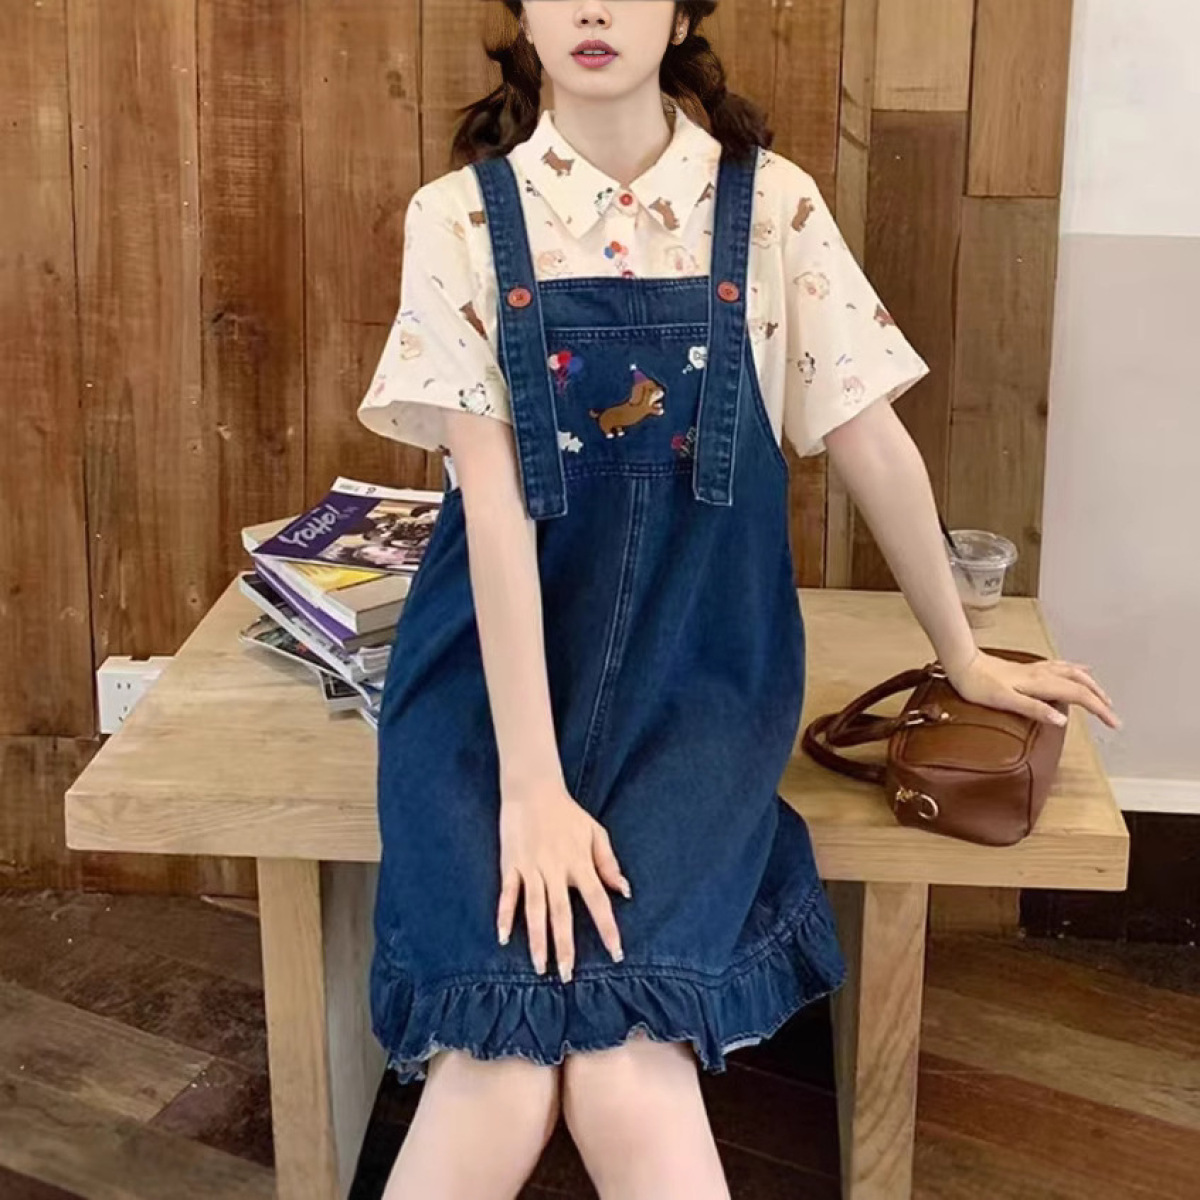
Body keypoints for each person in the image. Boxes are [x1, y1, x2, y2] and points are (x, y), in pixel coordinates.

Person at [356, 4, 1122, 1197]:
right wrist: (531, 790)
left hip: (698, 692)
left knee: (624, 1067)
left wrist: (964, 655)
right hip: (486, 704)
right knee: (495, 1070)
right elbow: (492, 517)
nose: (594, 9)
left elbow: (871, 440)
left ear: (680, 11)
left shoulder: (771, 210)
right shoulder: (456, 218)